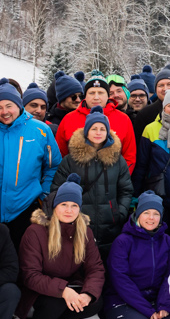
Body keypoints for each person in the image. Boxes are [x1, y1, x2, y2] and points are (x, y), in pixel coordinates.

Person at [17, 179, 105, 319]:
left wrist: (88, 293)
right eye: (64, 204)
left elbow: (95, 268)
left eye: (74, 206)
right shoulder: (35, 231)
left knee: (94, 302)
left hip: (67, 286)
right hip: (35, 292)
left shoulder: (84, 231)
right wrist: (63, 290)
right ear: (54, 206)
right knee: (55, 302)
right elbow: (30, 275)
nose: (69, 210)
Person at [101, 193, 170, 319]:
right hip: (123, 301)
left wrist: (164, 305)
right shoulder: (123, 241)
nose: (151, 218)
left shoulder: (167, 241)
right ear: (137, 215)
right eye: (146, 213)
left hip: (154, 300)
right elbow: (121, 280)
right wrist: (147, 310)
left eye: (156, 214)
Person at [0, 83, 60, 249]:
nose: (4, 112)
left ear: (19, 106)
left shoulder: (40, 130)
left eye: (9, 106)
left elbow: (53, 165)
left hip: (26, 208)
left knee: (25, 256)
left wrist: (43, 193)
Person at [53, 111, 135, 260]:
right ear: (86, 131)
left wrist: (120, 212)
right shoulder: (71, 160)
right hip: (78, 224)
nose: (98, 132)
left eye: (102, 129)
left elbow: (126, 190)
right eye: (94, 128)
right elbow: (57, 189)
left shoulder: (117, 160)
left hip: (110, 225)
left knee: (107, 263)